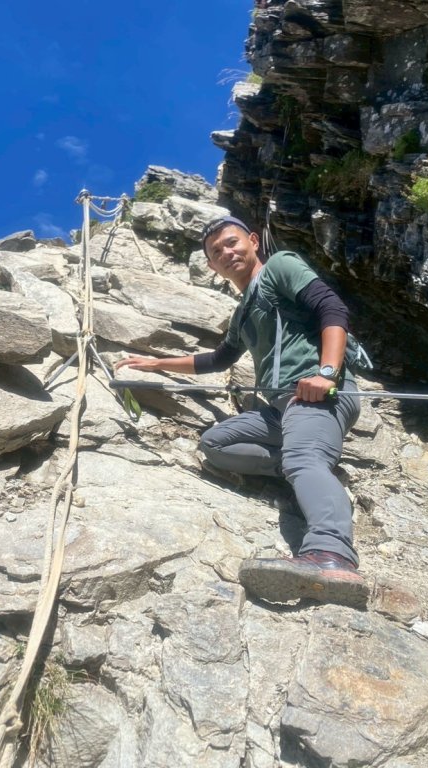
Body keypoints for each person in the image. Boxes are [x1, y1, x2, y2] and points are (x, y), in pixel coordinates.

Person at [115, 216, 366, 608]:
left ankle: (332, 555)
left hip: (318, 395)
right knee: (215, 444)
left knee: (304, 457)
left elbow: (331, 309)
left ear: (252, 241)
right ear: (212, 267)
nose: (226, 252)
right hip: (281, 408)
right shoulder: (244, 311)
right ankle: (301, 472)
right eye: (216, 252)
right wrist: (156, 364)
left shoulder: (281, 265)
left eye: (232, 243)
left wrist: (327, 373)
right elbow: (218, 359)